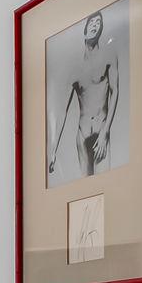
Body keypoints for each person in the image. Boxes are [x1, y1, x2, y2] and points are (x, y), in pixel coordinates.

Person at [48, 10, 121, 180]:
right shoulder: (75, 69)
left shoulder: (109, 55)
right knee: (86, 190)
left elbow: (115, 91)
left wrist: (105, 132)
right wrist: (53, 150)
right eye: (91, 23)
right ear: (85, 30)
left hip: (100, 131)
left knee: (103, 184)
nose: (95, 26)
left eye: (98, 23)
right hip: (82, 136)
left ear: (101, 30)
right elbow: (61, 111)